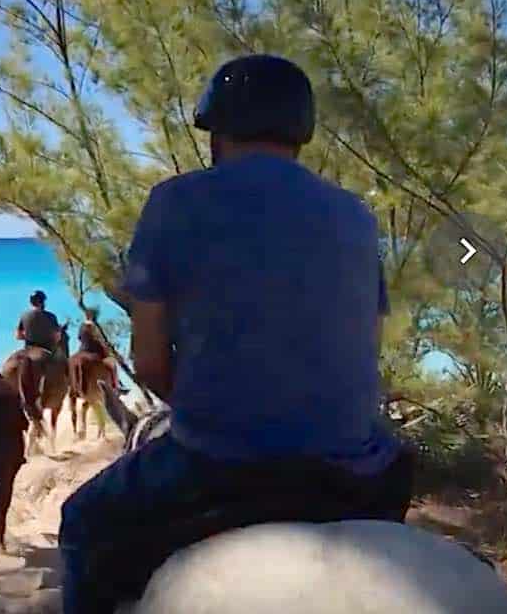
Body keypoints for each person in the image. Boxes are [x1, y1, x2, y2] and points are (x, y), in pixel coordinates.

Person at [57, 54, 414, 614]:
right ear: (300, 130)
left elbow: (148, 364)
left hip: (218, 463)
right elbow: (365, 345)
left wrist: (221, 409)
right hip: (352, 466)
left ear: (217, 131)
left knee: (81, 524)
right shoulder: (356, 216)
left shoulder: (174, 201)